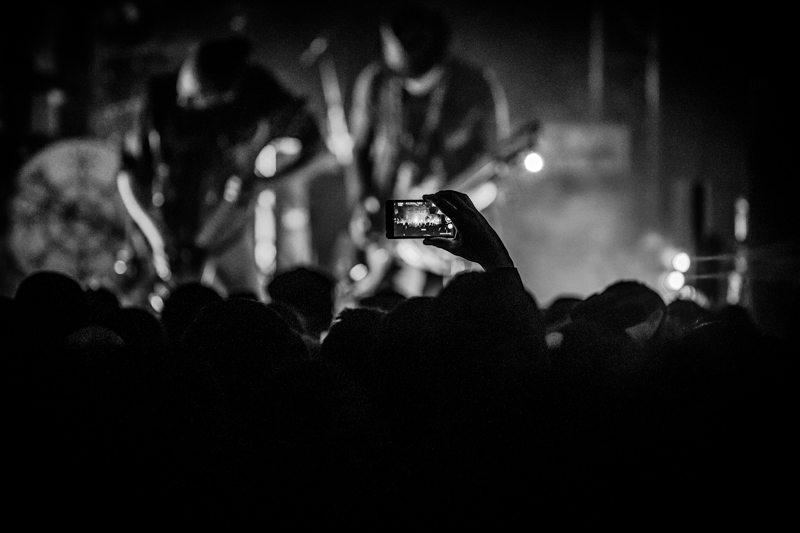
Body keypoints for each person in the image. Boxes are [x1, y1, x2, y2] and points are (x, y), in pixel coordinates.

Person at [117, 34, 338, 303]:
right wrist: (157, 238)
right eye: (184, 94)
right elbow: (128, 177)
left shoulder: (255, 87)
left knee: (246, 309)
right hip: (162, 229)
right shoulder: (158, 95)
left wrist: (264, 183)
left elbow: (316, 146)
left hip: (227, 231)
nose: (185, 104)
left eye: (197, 99)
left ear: (227, 96)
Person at [342, 3, 512, 301]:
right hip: (384, 225)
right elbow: (358, 151)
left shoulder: (474, 86)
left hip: (446, 225)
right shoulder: (376, 82)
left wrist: (415, 220)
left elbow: (495, 175)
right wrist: (360, 203)